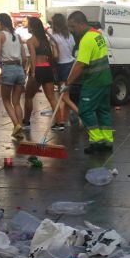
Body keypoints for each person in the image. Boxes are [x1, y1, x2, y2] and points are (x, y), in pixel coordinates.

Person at [65, 10, 114, 153]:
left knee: (85, 111)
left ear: (81, 24)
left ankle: (97, 141)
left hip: (94, 82)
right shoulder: (98, 35)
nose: (71, 30)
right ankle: (107, 141)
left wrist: (67, 83)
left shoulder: (86, 39)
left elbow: (81, 64)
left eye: (73, 27)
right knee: (103, 111)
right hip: (105, 79)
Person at [0, 13, 26, 140]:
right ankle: (19, 128)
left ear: (1, 23)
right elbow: (24, 57)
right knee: (16, 102)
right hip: (19, 69)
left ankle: (16, 125)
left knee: (6, 100)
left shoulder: (1, 35)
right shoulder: (17, 36)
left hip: (8, 68)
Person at [23, 17, 59, 131]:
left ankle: (26, 121)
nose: (27, 27)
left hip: (37, 69)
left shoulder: (31, 41)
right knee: (51, 98)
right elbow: (55, 45)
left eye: (28, 25)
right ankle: (59, 122)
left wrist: (33, 72)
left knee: (28, 97)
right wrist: (47, 32)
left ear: (33, 27)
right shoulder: (45, 40)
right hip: (47, 68)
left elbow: (33, 57)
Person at [50, 13, 79, 127]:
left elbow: (56, 55)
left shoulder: (54, 37)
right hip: (71, 64)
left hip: (62, 67)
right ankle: (63, 120)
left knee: (64, 97)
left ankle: (82, 116)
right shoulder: (70, 35)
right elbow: (72, 48)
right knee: (66, 94)